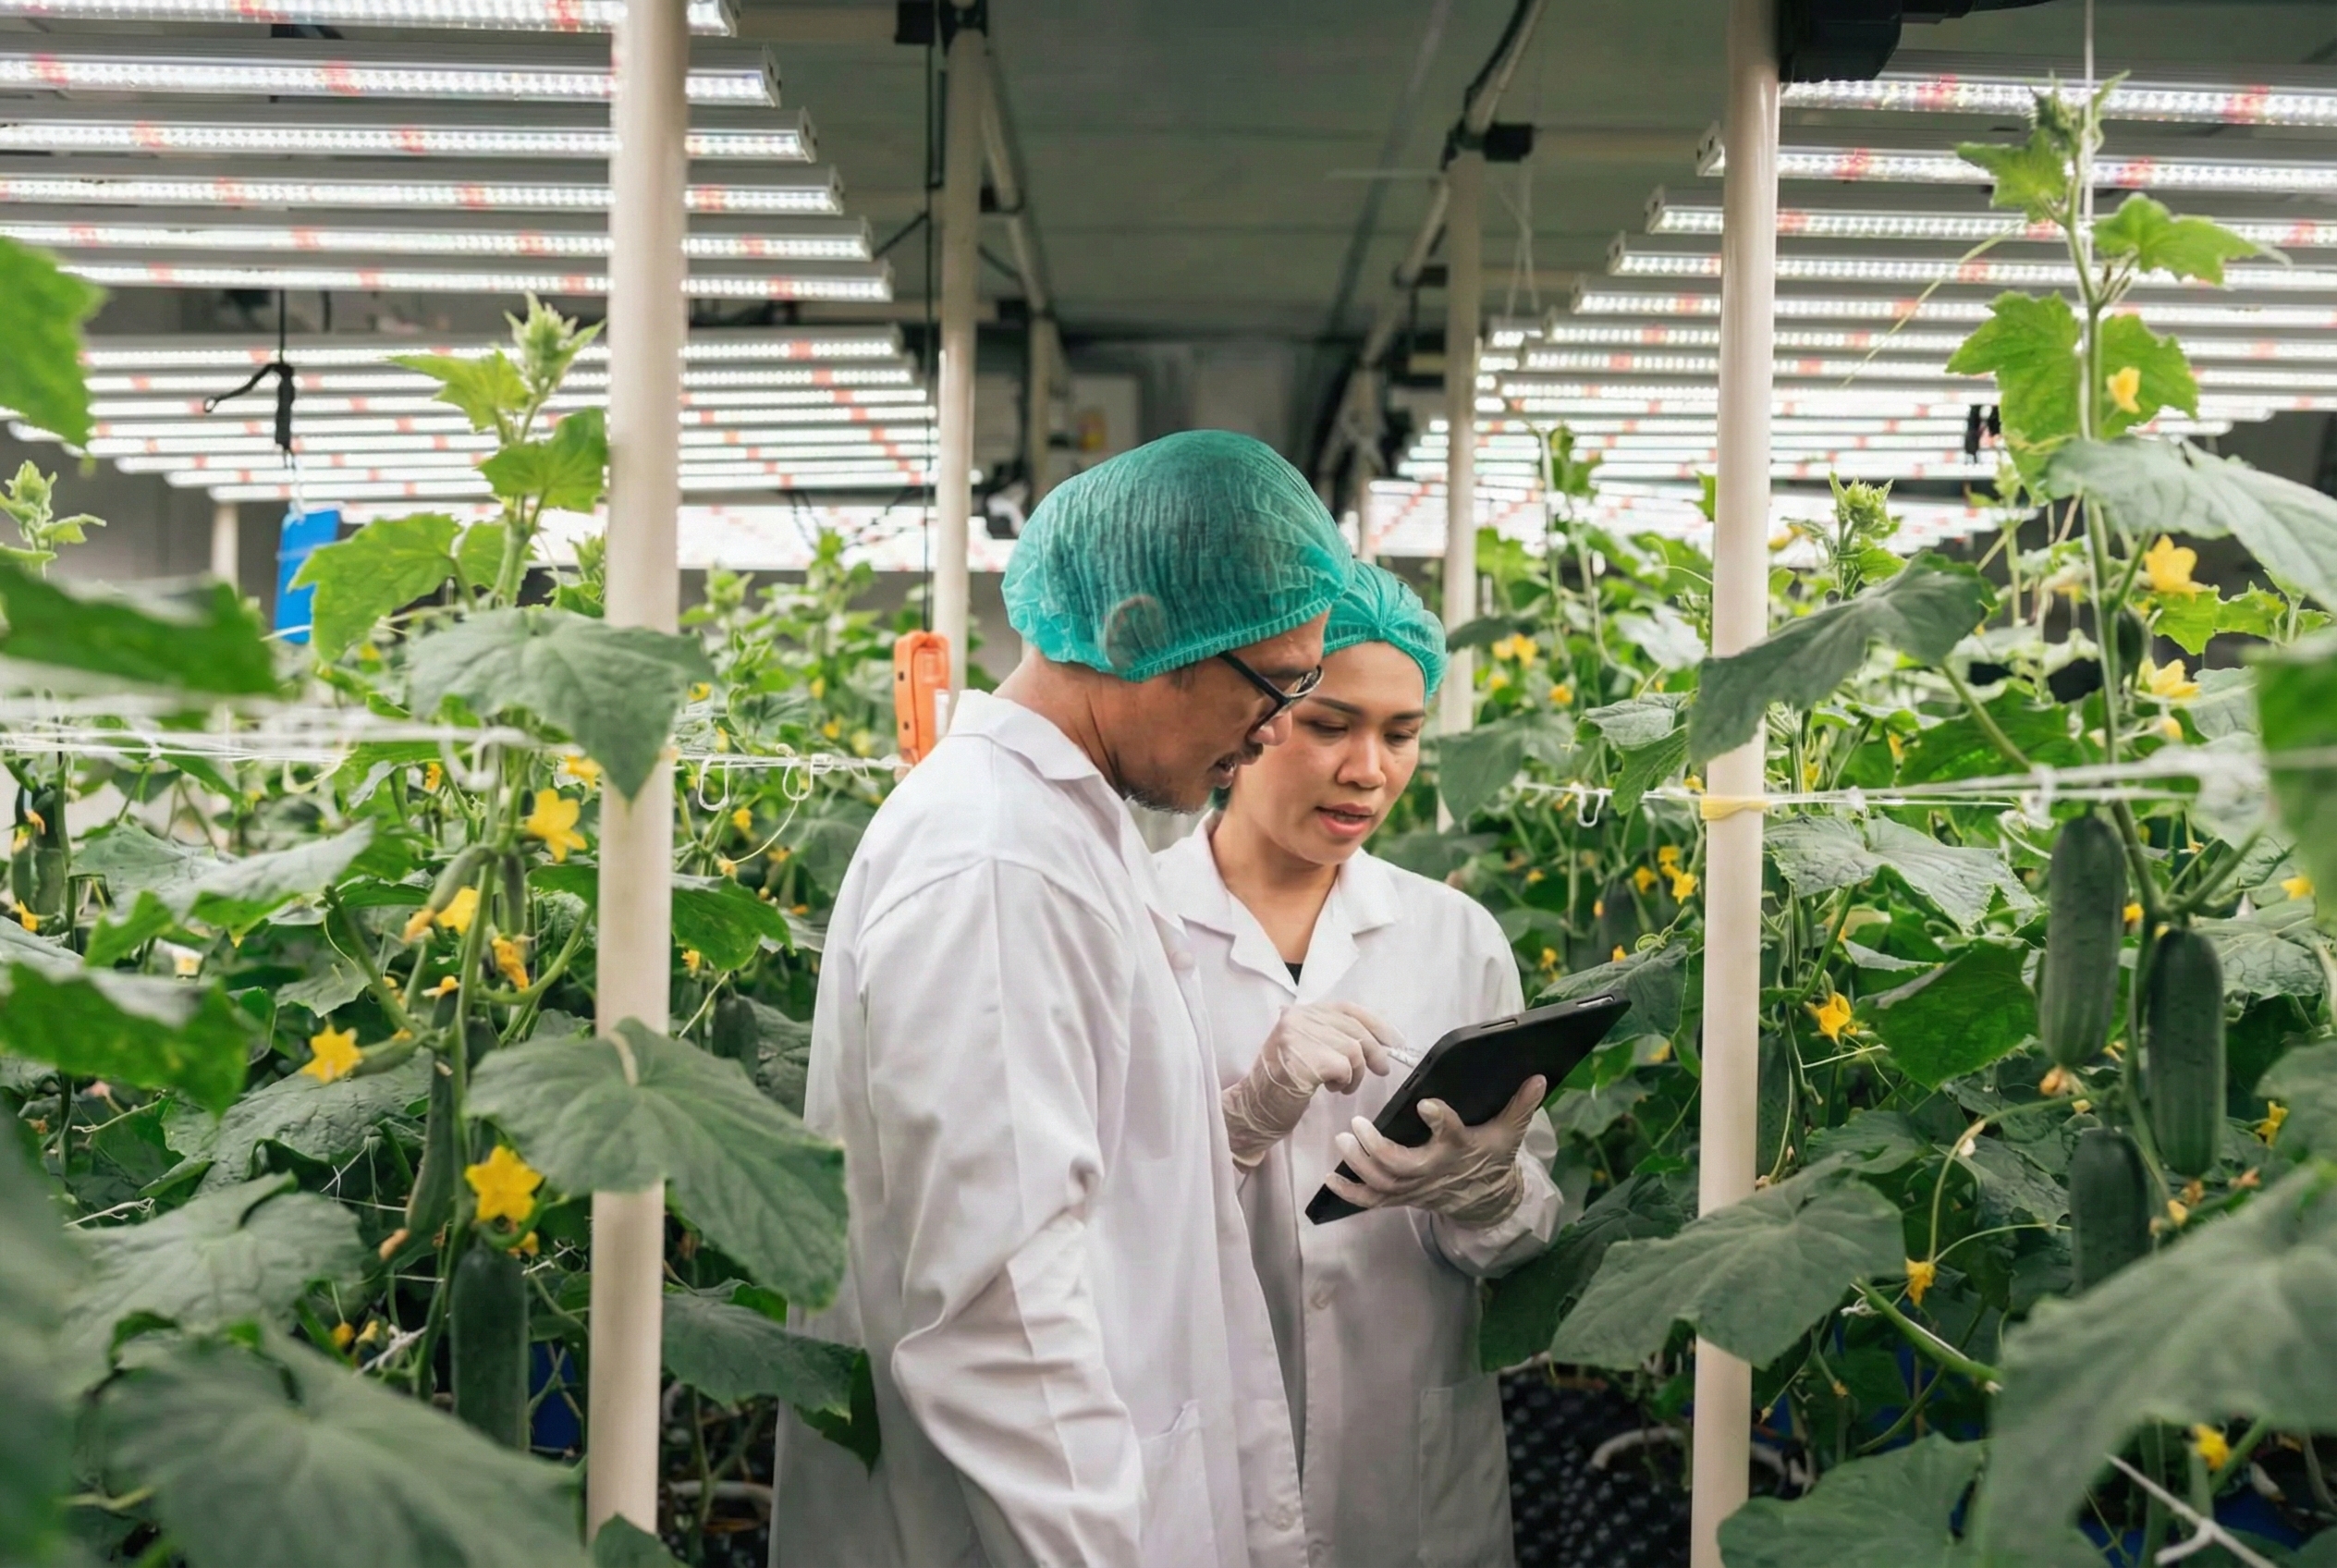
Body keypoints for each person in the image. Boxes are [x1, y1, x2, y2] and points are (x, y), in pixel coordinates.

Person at [772, 430, 1352, 1568]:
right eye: (1277, 683)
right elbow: (1001, 1317)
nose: (1280, 725)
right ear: (1141, 632)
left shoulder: (1058, 833)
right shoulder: (996, 864)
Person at [1156, 562, 1562, 1568]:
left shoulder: (1455, 936)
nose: (1368, 770)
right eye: (1329, 724)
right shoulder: (1132, 921)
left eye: (1400, 733)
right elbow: (1085, 1226)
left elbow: (1522, 1240)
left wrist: (1486, 1193)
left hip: (1407, 1476)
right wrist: (1236, 1126)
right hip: (1193, 1456)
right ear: (1252, 719)